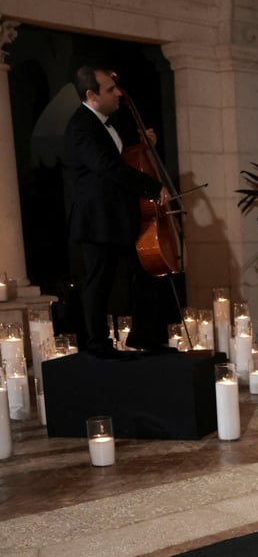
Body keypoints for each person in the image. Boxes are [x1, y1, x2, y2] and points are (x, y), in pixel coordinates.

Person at [64, 64, 171, 358]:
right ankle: (95, 346)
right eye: (110, 89)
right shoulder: (81, 127)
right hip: (97, 219)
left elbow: (121, 159)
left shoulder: (106, 123)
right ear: (91, 95)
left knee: (147, 272)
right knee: (98, 283)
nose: (118, 93)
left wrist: (142, 145)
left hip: (119, 216)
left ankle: (145, 336)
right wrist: (152, 187)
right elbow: (108, 167)